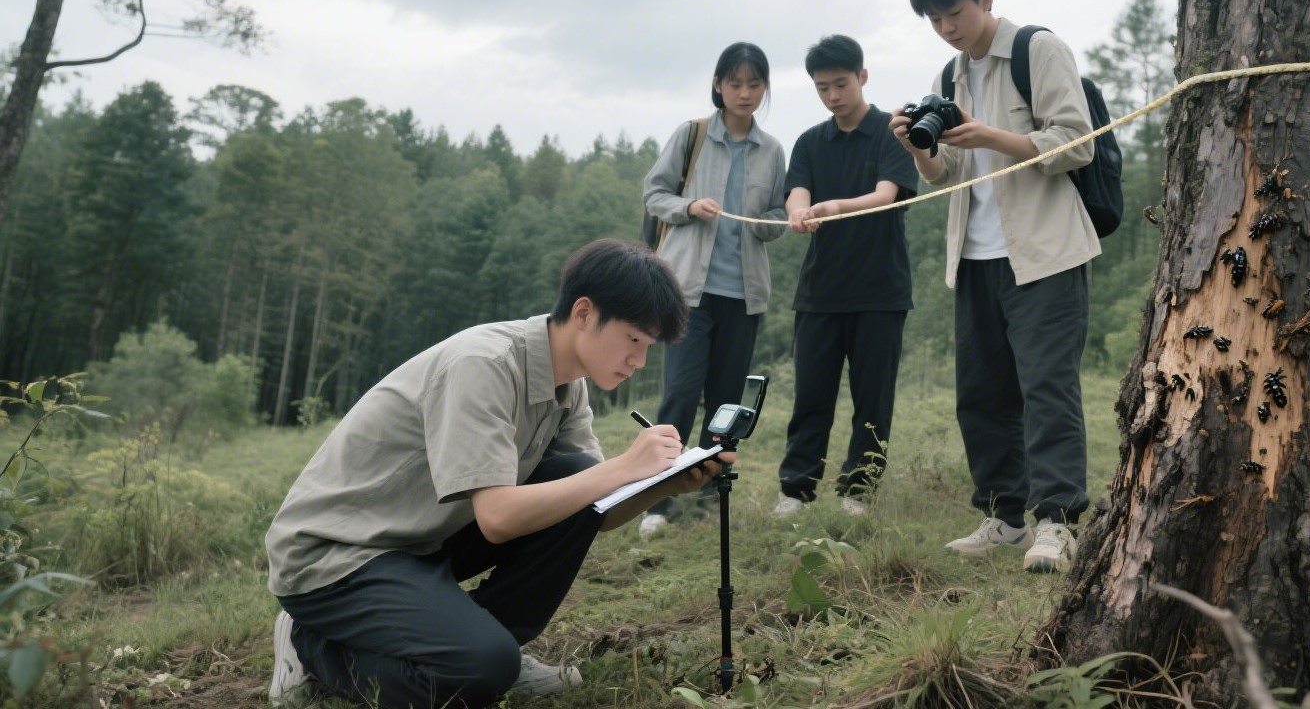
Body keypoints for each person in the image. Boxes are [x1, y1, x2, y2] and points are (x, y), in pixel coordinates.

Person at [265, 239, 730, 708]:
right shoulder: (483, 364)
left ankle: (490, 640)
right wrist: (624, 467)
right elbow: (498, 519)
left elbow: (596, 510)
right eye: (633, 340)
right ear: (584, 313)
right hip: (337, 554)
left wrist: (664, 484)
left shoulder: (569, 387)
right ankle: (312, 645)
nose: (639, 361)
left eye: (648, 347)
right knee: (480, 669)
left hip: (417, 539)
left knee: (578, 474)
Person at [890, 0, 1099, 573]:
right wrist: (918, 149)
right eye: (933, 19)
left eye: (953, 13)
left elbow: (1077, 142)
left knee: (1047, 389)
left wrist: (990, 135)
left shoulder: (1038, 50)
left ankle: (1056, 522)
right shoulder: (948, 76)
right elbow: (947, 173)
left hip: (1044, 252)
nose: (946, 28)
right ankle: (1006, 518)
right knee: (981, 395)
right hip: (975, 255)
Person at [638, 41, 788, 538]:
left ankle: (708, 503)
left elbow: (775, 215)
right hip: (687, 292)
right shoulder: (692, 135)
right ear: (718, 86)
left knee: (726, 404)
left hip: (743, 295)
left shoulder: (772, 150)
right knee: (680, 395)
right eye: (735, 83)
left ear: (765, 88)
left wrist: (771, 222)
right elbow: (654, 194)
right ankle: (657, 500)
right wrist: (688, 208)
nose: (744, 93)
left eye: (754, 84)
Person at [773, 34, 918, 518]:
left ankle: (858, 490)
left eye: (841, 84)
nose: (833, 96)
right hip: (819, 291)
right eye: (822, 88)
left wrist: (833, 207)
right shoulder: (810, 141)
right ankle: (796, 488)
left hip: (880, 291)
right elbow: (797, 191)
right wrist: (799, 212)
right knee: (811, 397)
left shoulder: (890, 133)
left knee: (872, 399)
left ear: (862, 76)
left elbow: (886, 194)